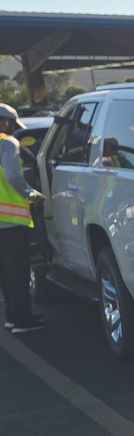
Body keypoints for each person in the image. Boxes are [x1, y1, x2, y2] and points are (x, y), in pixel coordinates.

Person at [0, 102, 46, 333]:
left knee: (6, 274)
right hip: (10, 221)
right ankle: (23, 320)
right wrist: (32, 193)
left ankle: (11, 316)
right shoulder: (6, 143)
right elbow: (12, 174)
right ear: (6, 122)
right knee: (17, 272)